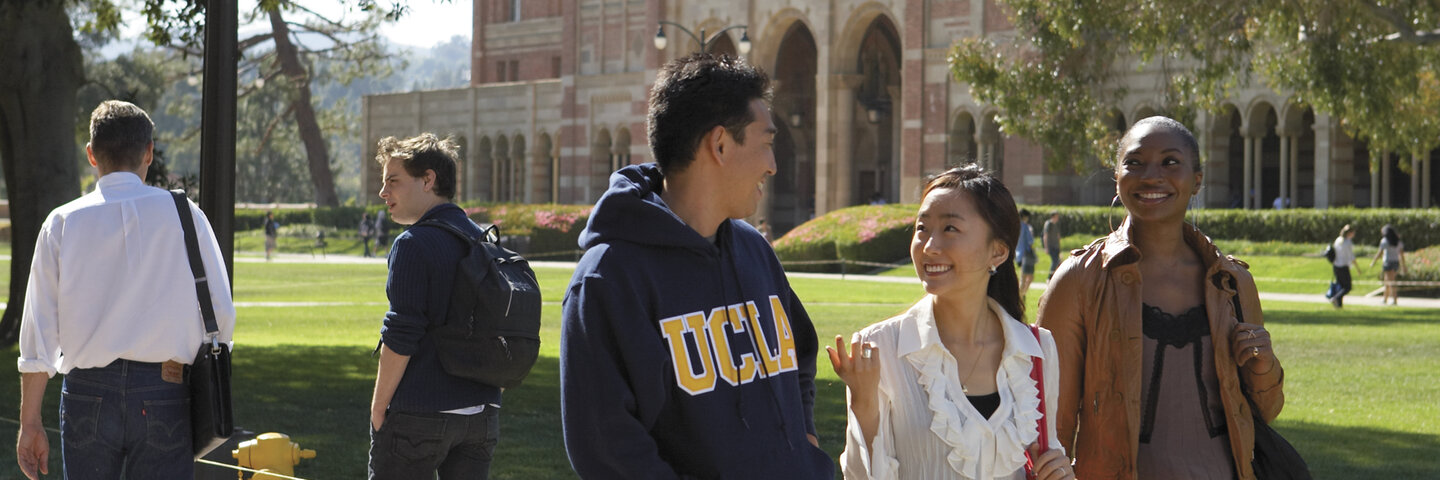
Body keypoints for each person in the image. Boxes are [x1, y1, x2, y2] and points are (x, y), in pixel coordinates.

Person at [559, 53, 834, 478]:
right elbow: (609, 450)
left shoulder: (753, 249)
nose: (772, 165)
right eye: (766, 143)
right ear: (720, 144)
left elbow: (799, 355)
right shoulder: (609, 278)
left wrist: (805, 447)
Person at [1037, 116, 1286, 480]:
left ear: (1197, 180)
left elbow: (1265, 410)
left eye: (1170, 162)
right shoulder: (1080, 280)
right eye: (1134, 163)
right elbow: (1049, 422)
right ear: (1117, 177)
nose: (1152, 175)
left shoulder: (1232, 283)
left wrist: (1264, 368)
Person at [15, 100, 237, 479]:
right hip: (166, 388)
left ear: (91, 154)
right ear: (149, 152)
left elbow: (39, 336)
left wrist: (30, 422)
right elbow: (221, 315)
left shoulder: (62, 222)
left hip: (87, 391)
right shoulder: (188, 216)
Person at [829, 165, 1074, 480]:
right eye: (922, 228)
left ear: (997, 252)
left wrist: (1060, 472)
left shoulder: (1038, 350)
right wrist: (863, 403)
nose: (929, 246)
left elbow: (1046, 454)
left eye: (950, 229)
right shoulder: (878, 348)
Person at [368, 133, 503, 479]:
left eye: (393, 182)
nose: (383, 193)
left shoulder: (413, 244)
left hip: (420, 413)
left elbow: (400, 336)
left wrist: (379, 408)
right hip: (482, 415)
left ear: (428, 180)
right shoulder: (484, 240)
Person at [1368, 224, 1406, 305]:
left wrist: (1373, 262)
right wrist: (1403, 266)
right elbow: (1401, 255)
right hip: (1396, 263)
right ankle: (1385, 298)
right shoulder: (1398, 241)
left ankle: (1394, 299)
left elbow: (1380, 253)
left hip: (1388, 263)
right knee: (1387, 281)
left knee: (1390, 282)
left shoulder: (1384, 241)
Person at [1326, 224, 1361, 308]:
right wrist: (1358, 268)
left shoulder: (1338, 240)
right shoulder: (1347, 242)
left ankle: (1339, 305)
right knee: (1347, 287)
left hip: (1336, 266)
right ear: (1349, 233)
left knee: (1341, 286)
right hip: (1343, 266)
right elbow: (1351, 256)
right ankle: (1335, 298)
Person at [1017, 208, 1038, 300]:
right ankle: (1021, 295)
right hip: (1026, 253)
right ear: (1025, 217)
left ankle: (1020, 295)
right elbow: (1030, 241)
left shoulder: (1016, 226)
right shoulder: (1025, 227)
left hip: (1018, 254)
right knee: (1029, 277)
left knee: (1023, 276)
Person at [1042, 211, 1061, 278]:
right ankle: (1049, 277)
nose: (1058, 218)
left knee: (1059, 262)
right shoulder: (1048, 224)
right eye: (1056, 216)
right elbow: (1045, 236)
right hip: (1051, 247)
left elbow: (1058, 236)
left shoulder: (1056, 225)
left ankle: (1058, 277)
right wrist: (1046, 247)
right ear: (1053, 216)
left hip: (1056, 247)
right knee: (1055, 261)